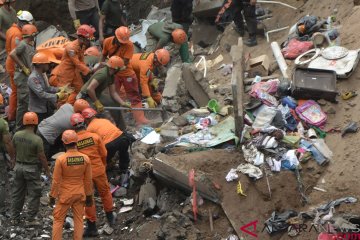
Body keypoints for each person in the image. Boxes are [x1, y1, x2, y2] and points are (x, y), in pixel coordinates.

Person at [70, 113, 116, 236]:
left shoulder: (73, 142)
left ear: (73, 127)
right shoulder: (95, 137)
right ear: (84, 123)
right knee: (105, 192)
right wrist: (103, 165)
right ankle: (110, 218)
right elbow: (104, 154)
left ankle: (92, 227)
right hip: (99, 170)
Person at [49, 130, 93, 240]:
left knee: (58, 220)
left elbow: (56, 180)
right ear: (77, 142)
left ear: (64, 144)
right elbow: (88, 180)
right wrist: (89, 196)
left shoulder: (61, 159)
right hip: (79, 194)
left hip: (65, 195)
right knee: (78, 219)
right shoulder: (85, 158)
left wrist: (52, 196)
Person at [11, 112, 50, 225]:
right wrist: (47, 170)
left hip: (18, 167)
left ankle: (14, 218)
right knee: (34, 194)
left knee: (17, 193)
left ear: (24, 122)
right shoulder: (37, 139)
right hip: (31, 169)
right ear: (36, 123)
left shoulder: (17, 135)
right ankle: (30, 219)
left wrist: (14, 160)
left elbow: (13, 149)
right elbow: (42, 157)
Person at [49, 24, 95, 104]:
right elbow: (77, 63)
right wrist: (89, 70)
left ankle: (78, 107)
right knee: (63, 95)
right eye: (88, 39)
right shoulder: (71, 48)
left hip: (75, 73)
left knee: (80, 90)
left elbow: (81, 61)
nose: (89, 41)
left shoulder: (82, 46)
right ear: (81, 38)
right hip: (65, 74)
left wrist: (86, 69)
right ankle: (60, 111)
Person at [82, 107, 130, 172]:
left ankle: (106, 172)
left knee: (104, 160)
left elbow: (94, 144)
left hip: (110, 143)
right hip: (123, 137)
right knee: (123, 153)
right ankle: (124, 170)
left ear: (85, 119)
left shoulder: (89, 128)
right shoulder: (104, 120)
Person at [5, 10, 33, 121]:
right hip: (13, 65)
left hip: (10, 61)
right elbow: (16, 53)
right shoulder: (17, 34)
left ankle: (12, 115)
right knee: (16, 92)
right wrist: (23, 67)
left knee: (14, 90)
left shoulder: (11, 29)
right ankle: (12, 116)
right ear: (23, 22)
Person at [9, 24, 38, 130]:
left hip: (26, 76)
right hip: (22, 76)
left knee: (26, 101)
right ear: (31, 34)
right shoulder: (23, 44)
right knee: (24, 103)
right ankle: (19, 127)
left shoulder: (29, 45)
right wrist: (23, 67)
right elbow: (12, 54)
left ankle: (25, 124)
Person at [28, 52, 69, 122]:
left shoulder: (41, 75)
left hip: (44, 108)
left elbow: (47, 88)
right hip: (37, 111)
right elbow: (41, 94)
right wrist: (57, 96)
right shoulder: (33, 78)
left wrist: (59, 89)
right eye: (46, 63)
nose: (48, 65)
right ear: (41, 65)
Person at [0, 116, 15, 219]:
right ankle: (1, 207)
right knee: (2, 181)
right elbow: (7, 142)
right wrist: (13, 157)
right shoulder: (2, 123)